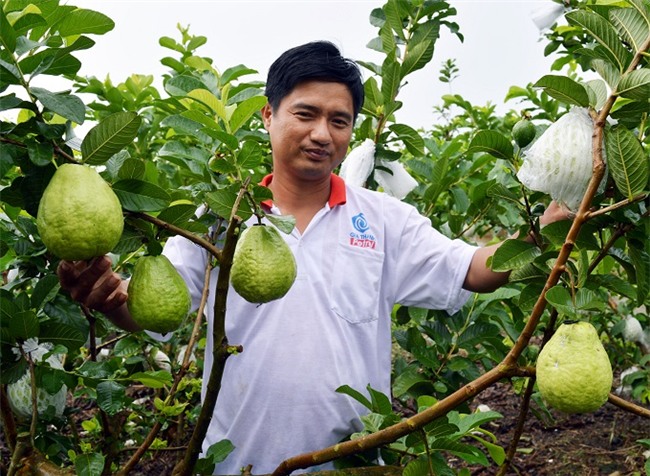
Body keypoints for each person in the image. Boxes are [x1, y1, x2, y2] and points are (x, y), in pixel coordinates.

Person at [57, 41, 568, 474]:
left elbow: (471, 269)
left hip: (353, 462)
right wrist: (106, 298)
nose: (323, 133)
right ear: (268, 115)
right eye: (306, 113)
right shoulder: (217, 221)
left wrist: (543, 235)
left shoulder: (384, 219)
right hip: (237, 462)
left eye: (339, 121)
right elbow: (155, 310)